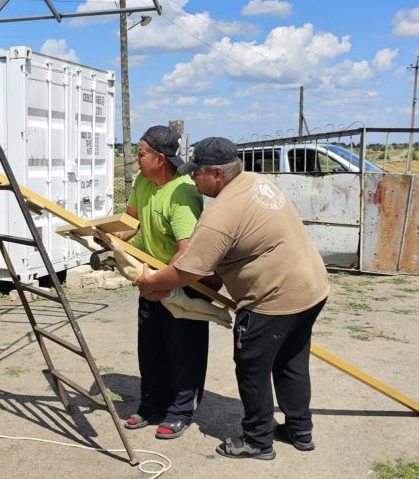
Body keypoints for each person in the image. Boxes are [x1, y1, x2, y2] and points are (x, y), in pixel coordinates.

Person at [135, 137, 330, 460]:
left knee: (252, 367)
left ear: (217, 174)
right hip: (311, 288)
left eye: (197, 173)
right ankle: (299, 429)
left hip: (273, 299)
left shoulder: (221, 214)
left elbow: (187, 270)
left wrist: (151, 282)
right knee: (290, 360)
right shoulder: (256, 183)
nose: (191, 178)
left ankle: (257, 440)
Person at [117, 125, 209, 440]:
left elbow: (186, 254)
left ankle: (181, 410)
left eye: (140, 154)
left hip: (183, 282)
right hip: (151, 276)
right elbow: (131, 220)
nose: (136, 160)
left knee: (184, 349)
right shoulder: (143, 181)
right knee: (151, 346)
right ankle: (151, 404)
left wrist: (162, 284)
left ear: (160, 159)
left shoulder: (183, 193)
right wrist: (112, 237)